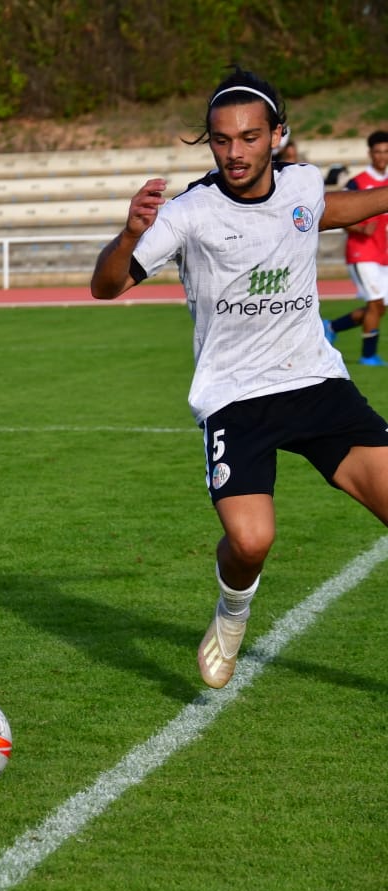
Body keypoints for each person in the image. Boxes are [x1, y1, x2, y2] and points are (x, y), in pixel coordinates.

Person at [89, 67, 388, 690]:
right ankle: (231, 611)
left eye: (250, 137)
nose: (235, 152)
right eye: (222, 139)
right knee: (251, 542)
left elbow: (326, 209)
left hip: (315, 385)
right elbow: (105, 285)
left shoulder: (302, 184)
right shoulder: (188, 212)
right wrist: (130, 233)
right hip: (237, 397)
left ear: (277, 135)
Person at [323, 130, 388, 365]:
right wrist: (360, 230)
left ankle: (331, 326)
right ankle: (368, 356)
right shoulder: (358, 183)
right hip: (361, 253)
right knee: (375, 304)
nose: (382, 156)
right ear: (370, 153)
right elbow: (340, 215)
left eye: (386, 152)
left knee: (379, 308)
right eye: (377, 152)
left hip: (381, 254)